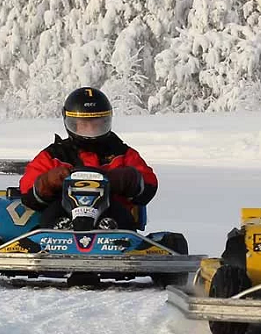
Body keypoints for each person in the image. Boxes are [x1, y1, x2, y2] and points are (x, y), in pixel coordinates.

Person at [19, 87, 158, 229]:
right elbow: (27, 191)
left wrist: (128, 179)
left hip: (112, 214)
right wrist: (47, 181)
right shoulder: (55, 155)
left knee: (121, 215)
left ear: (106, 122)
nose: (91, 130)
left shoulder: (121, 153)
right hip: (62, 212)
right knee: (51, 215)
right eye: (84, 125)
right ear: (71, 123)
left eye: (96, 125)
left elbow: (149, 184)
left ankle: (117, 239)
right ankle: (55, 236)